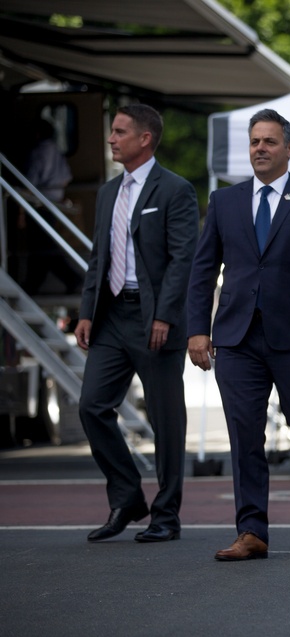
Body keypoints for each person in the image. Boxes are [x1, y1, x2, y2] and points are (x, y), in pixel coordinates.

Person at [187, 109, 290, 561]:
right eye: (254, 141)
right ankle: (252, 531)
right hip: (237, 339)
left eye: (270, 142)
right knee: (244, 435)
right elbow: (203, 271)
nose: (260, 148)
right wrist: (198, 329)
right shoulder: (225, 202)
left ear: (289, 148)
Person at [76, 104, 199, 543]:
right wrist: (86, 311)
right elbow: (98, 257)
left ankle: (166, 516)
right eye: (112, 132)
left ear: (144, 138)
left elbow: (184, 259)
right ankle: (127, 497)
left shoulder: (175, 190)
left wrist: (165, 314)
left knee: (166, 421)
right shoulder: (109, 192)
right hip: (111, 317)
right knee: (91, 406)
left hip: (154, 318)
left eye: (119, 132)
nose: (111, 139)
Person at [19, 117, 81, 295]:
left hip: (40, 203)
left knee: (41, 246)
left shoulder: (38, 152)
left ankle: (67, 278)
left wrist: (21, 212)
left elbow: (29, 184)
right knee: (43, 246)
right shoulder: (56, 150)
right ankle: (35, 282)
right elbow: (66, 177)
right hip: (54, 202)